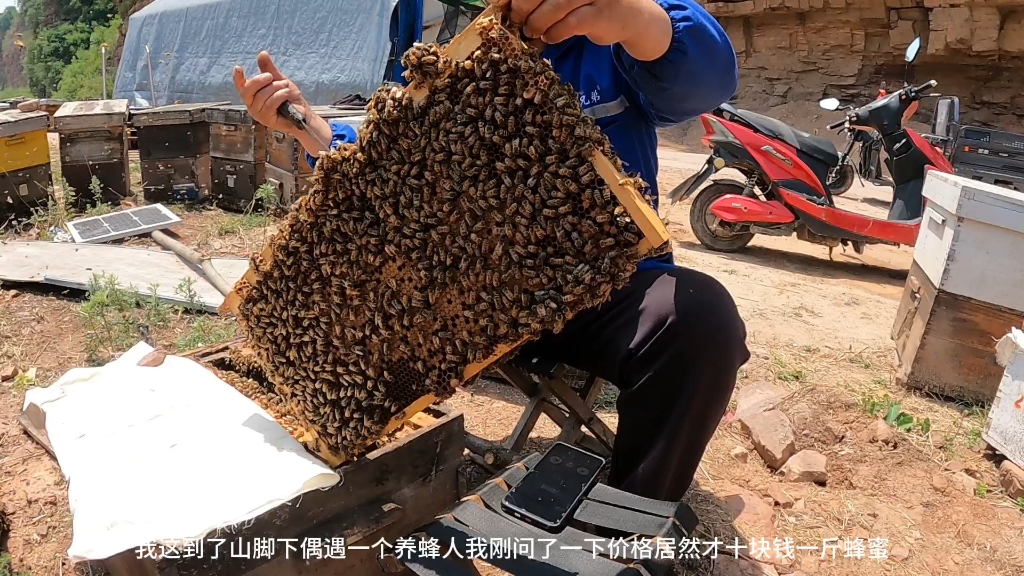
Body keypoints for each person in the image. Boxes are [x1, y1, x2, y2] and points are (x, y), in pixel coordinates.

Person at [233, 0, 749, 503]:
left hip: (600, 288)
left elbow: (707, 80)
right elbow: (385, 168)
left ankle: (630, 526)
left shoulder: (612, 45)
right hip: (478, 307)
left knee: (701, 318)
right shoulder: (455, 64)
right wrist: (308, 126)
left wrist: (631, 16)